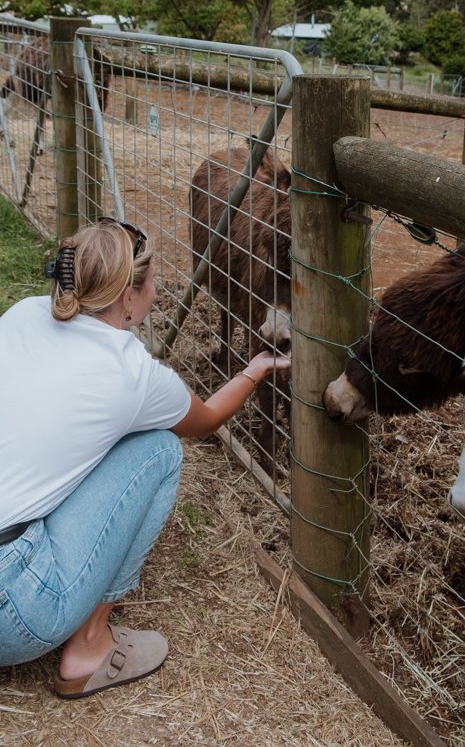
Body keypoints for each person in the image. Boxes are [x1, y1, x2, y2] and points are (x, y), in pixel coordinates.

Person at [0, 217, 290, 698]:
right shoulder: (131, 372)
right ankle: (90, 644)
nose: (156, 291)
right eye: (152, 281)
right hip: (13, 607)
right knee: (158, 449)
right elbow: (207, 419)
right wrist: (256, 368)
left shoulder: (23, 314)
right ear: (126, 297)